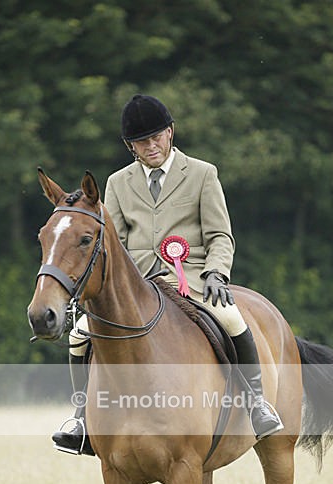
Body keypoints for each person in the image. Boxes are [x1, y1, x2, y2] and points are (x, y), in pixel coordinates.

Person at [53, 94, 283, 455]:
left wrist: (216, 274)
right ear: (131, 146)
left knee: (232, 318)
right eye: (143, 141)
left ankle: (257, 404)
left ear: (170, 133)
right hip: (139, 285)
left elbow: (220, 235)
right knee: (80, 334)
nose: (152, 145)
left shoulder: (203, 174)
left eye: (157, 136)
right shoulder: (118, 182)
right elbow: (113, 242)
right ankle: (81, 417)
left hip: (191, 279)